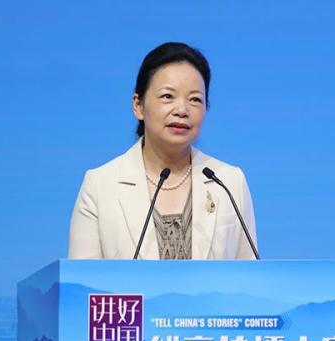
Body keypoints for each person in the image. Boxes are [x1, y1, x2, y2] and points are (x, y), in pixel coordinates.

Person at [68, 42, 258, 260]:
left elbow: (249, 274)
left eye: (195, 99)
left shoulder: (229, 182)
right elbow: (81, 279)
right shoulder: (100, 186)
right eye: (168, 96)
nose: (182, 110)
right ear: (138, 105)